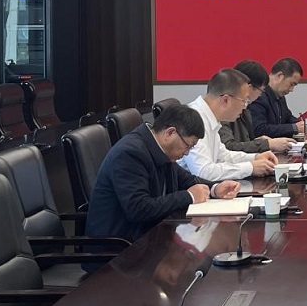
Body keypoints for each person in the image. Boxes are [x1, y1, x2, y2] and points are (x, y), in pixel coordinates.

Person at [86, 104, 240, 243]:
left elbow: (186, 180)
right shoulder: (130, 154)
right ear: (170, 133)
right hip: (119, 248)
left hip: (149, 237)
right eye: (188, 146)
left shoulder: (159, 148)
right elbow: (138, 209)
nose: (187, 153)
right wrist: (189, 196)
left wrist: (215, 189)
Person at [180, 68, 279, 180]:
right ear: (226, 100)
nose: (245, 107)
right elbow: (203, 172)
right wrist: (250, 168)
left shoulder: (210, 116)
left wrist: (255, 157)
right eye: (244, 101)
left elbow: (223, 155)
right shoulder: (195, 118)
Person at [220, 60, 294, 155]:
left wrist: (258, 141)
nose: (260, 95)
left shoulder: (245, 111)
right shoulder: (223, 109)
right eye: (261, 91)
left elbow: (243, 142)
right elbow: (227, 148)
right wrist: (267, 144)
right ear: (248, 87)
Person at [250, 57, 304, 138]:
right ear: (280, 76)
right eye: (291, 84)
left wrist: (302, 124)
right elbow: (260, 129)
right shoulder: (258, 95)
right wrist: (294, 128)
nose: (292, 90)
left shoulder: (280, 96)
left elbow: (287, 117)